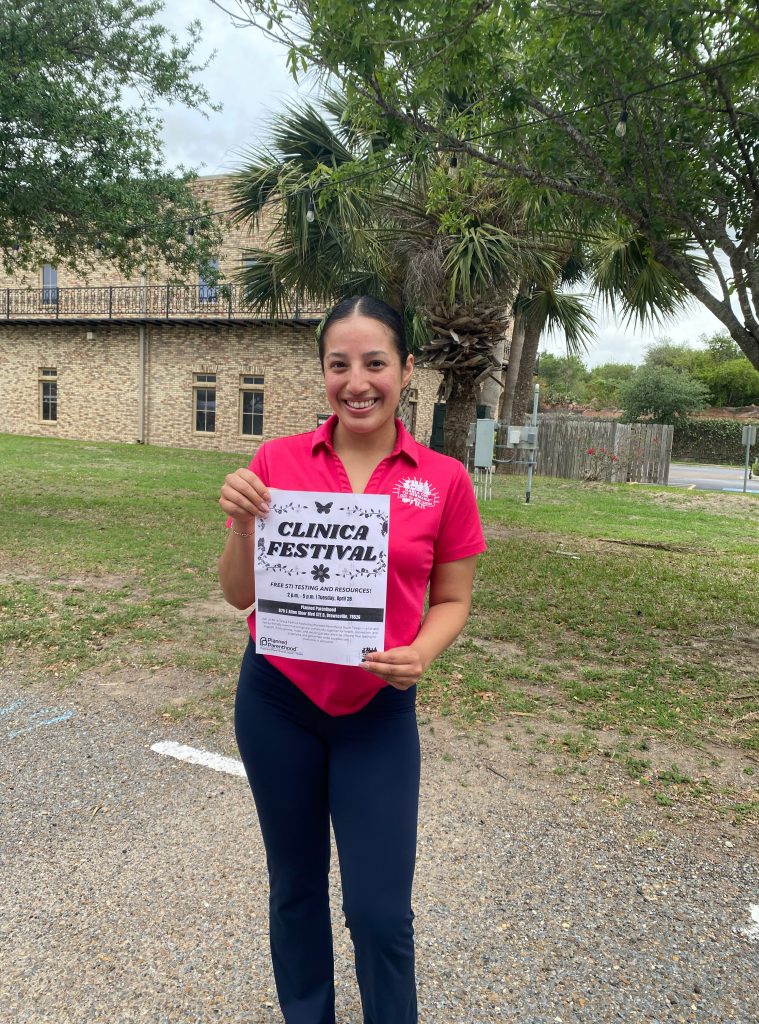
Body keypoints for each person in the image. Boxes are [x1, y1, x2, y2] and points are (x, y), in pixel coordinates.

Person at [218, 295, 485, 1024]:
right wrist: (242, 524)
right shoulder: (276, 460)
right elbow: (240, 595)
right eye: (340, 364)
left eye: (375, 362)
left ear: (406, 369)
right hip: (278, 701)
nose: (356, 381)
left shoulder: (443, 479)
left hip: (377, 712)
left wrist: (421, 653)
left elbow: (453, 599)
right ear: (323, 373)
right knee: (296, 888)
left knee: (378, 911)